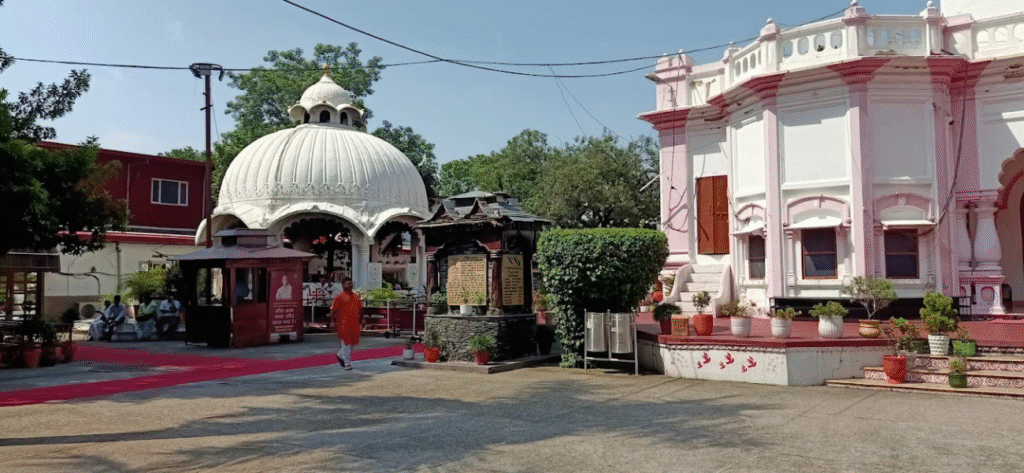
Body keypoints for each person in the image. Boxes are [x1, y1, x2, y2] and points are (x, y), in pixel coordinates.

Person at [330, 277, 363, 370]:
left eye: (351, 283)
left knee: (351, 343)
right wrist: (332, 321)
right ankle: (347, 364)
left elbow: (361, 309)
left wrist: (362, 319)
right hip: (343, 325)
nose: (350, 285)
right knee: (346, 344)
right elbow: (333, 310)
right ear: (343, 285)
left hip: (354, 324)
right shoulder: (339, 297)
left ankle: (340, 355)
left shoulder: (356, 296)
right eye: (348, 283)